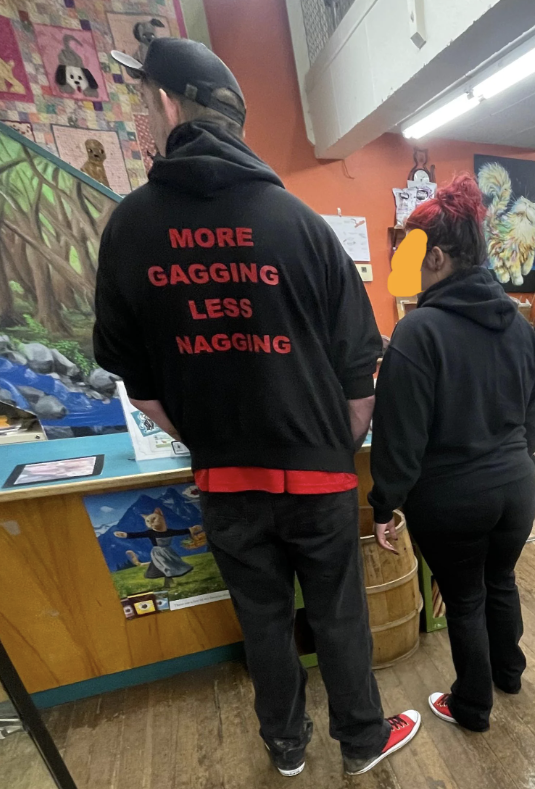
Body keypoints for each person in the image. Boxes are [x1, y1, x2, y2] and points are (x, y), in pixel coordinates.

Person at [94, 37, 420, 777]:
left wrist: (207, 443)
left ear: (170, 105)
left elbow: (139, 386)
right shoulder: (302, 225)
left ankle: (286, 747)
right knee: (340, 616)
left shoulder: (131, 229)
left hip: (225, 480)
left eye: (147, 98)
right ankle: (363, 741)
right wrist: (331, 450)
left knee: (264, 619)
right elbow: (360, 376)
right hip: (319, 477)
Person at [369, 175, 535, 733]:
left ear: (437, 256)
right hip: (518, 488)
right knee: (502, 581)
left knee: (464, 600)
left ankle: (472, 706)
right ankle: (509, 674)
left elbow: (400, 439)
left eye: (413, 258)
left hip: (451, 499)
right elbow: (534, 426)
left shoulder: (418, 333)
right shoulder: (518, 325)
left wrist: (383, 505)